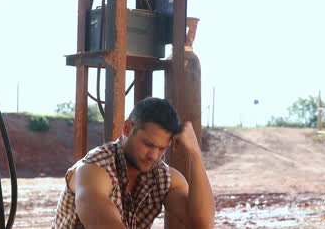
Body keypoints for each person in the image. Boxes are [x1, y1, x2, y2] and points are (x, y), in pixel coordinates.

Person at [52, 97, 215, 229]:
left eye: (162, 148)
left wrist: (195, 154)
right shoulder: (93, 169)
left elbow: (202, 225)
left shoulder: (164, 177)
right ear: (127, 129)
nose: (154, 155)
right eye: (148, 144)